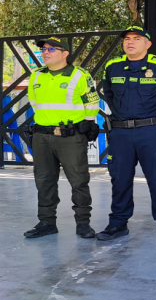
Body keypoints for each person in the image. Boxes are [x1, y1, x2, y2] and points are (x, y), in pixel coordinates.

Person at [96, 26, 156, 242]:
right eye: (127, 39)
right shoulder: (113, 66)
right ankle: (118, 223)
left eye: (136, 38)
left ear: (148, 44)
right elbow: (109, 95)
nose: (130, 42)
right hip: (120, 132)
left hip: (150, 132)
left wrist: (153, 119)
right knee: (120, 179)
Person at [24, 37, 100, 239]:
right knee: (44, 181)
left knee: (78, 180)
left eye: (51, 49)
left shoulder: (79, 75)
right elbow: (34, 102)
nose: (45, 52)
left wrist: (88, 123)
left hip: (70, 137)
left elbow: (92, 102)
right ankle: (46, 223)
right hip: (41, 136)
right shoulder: (36, 76)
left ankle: (83, 224)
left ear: (65, 53)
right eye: (43, 49)